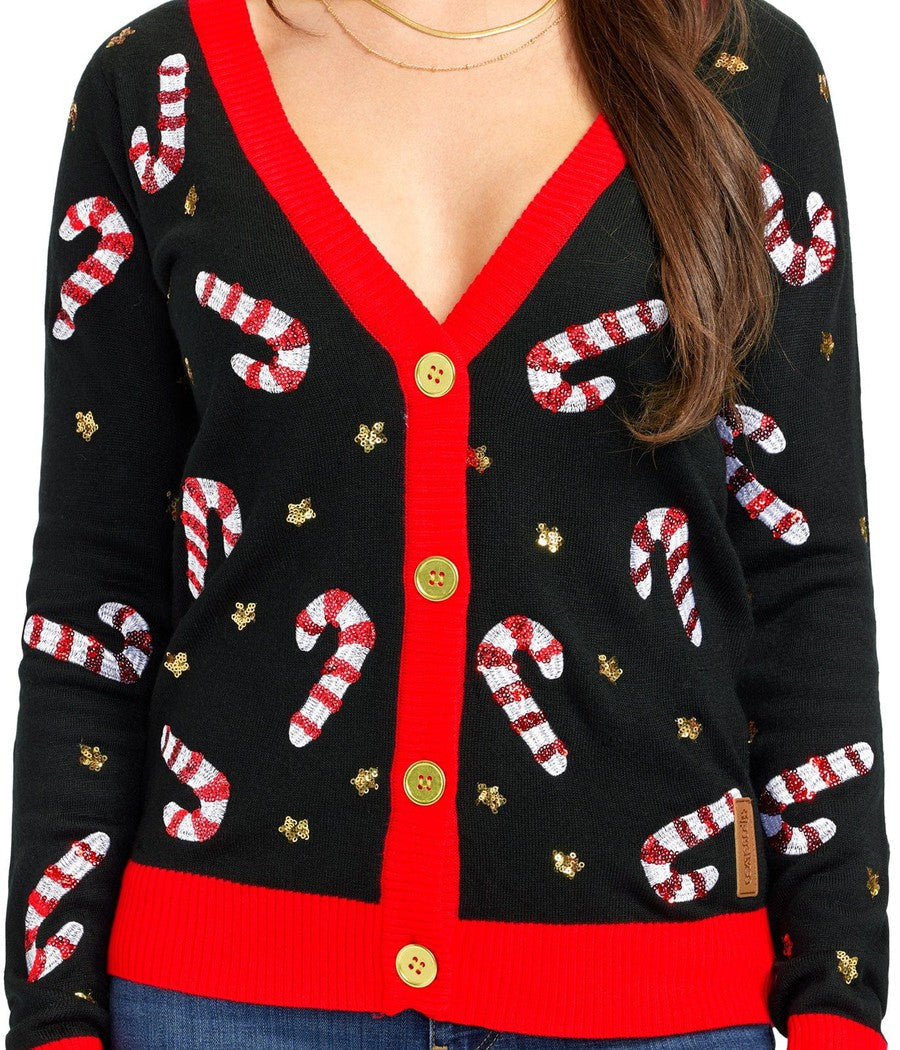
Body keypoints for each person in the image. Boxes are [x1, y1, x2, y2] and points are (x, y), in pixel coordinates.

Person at [3, 0, 890, 1047]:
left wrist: (838, 1003)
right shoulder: (158, 84)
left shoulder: (739, 67)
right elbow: (97, 596)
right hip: (221, 997)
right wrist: (53, 1015)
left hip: (655, 1004)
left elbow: (800, 572)